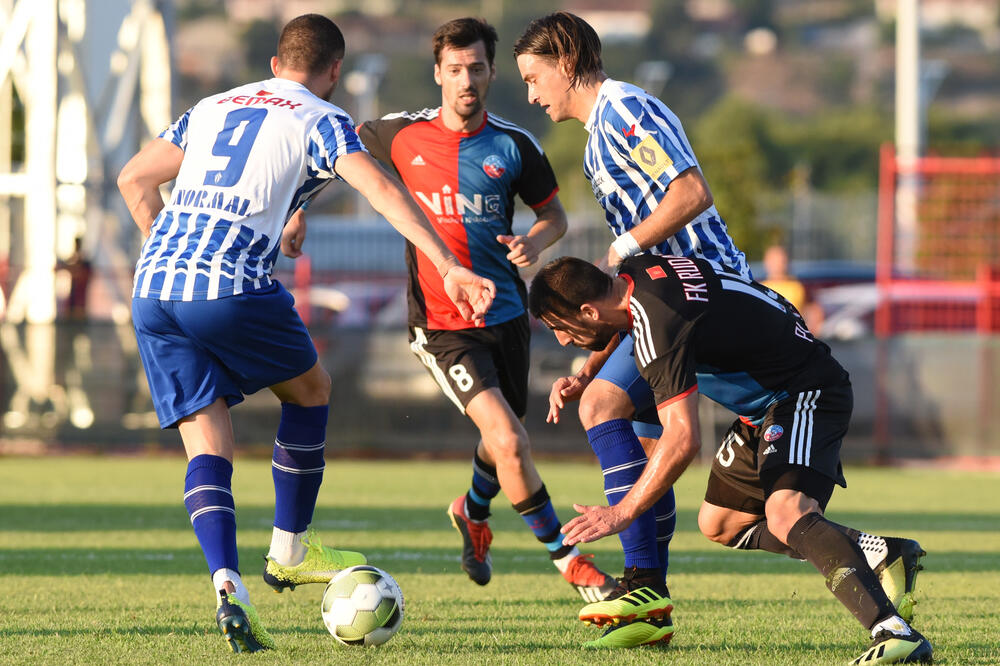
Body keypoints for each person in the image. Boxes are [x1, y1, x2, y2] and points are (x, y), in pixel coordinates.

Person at [116, 14, 495, 654]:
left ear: (274, 63)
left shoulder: (212, 106)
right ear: (335, 73)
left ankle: (227, 586)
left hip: (154, 289)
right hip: (230, 283)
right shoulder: (319, 116)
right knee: (312, 389)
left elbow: (133, 178)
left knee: (206, 436)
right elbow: (376, 186)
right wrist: (449, 264)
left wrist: (174, 252)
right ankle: (290, 549)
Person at [528, 254, 932, 663]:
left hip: (805, 392)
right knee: (721, 523)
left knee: (786, 512)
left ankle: (894, 631)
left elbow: (684, 438)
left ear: (587, 311)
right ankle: (879, 553)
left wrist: (623, 512)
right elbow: (630, 323)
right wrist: (588, 373)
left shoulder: (660, 322)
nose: (562, 340)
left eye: (560, 328)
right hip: (763, 408)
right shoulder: (637, 273)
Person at [355, 17, 615, 602]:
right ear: (438, 74)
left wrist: (536, 242)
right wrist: (296, 213)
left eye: (476, 69)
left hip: (505, 318)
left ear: (492, 72)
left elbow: (555, 217)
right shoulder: (397, 135)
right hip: (442, 325)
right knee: (509, 439)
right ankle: (575, 569)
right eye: (455, 70)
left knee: (505, 439)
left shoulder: (515, 145)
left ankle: (473, 513)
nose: (466, 80)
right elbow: (331, 152)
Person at [513, 10, 750, 646]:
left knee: (604, 406)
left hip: (704, 291)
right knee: (646, 448)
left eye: (535, 77)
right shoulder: (597, 137)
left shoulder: (624, 111)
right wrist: (590, 359)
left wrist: (627, 247)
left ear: (565, 62)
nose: (531, 94)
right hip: (668, 298)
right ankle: (650, 606)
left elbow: (692, 191)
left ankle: (644, 585)